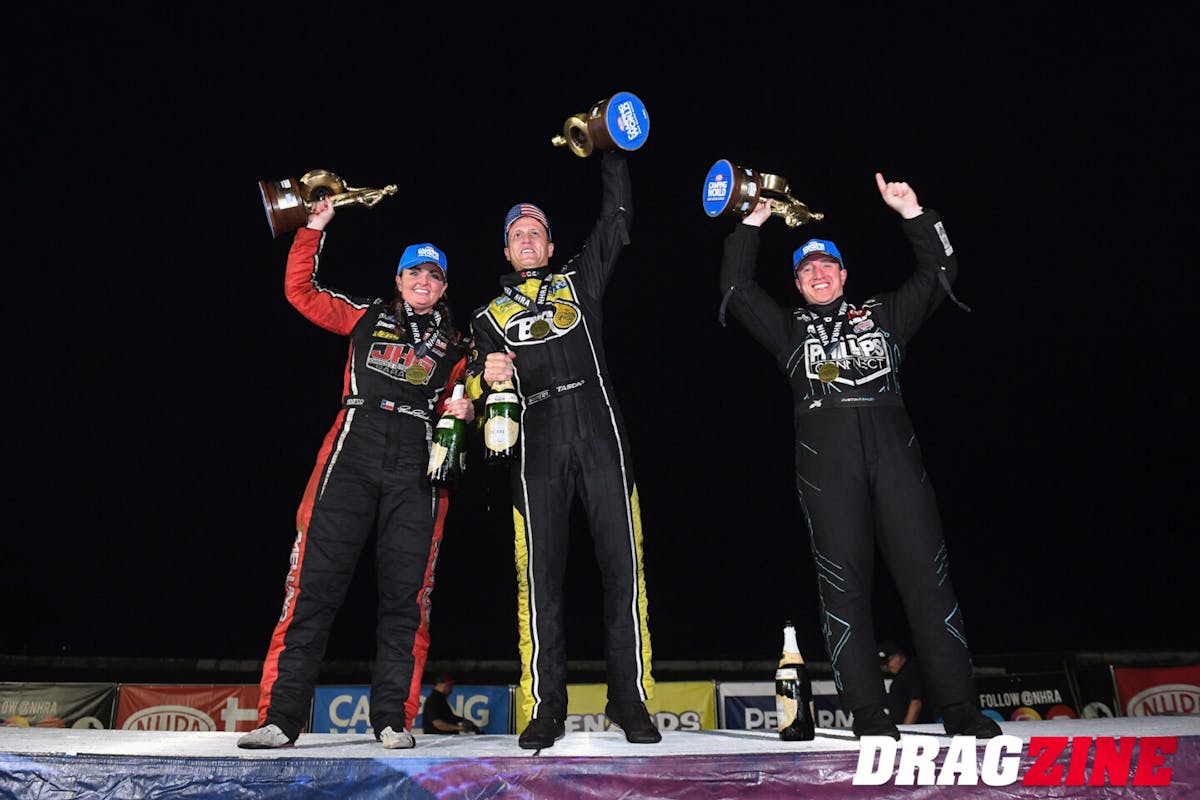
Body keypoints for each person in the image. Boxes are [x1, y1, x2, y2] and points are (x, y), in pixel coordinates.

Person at [718, 172, 1001, 740]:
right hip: (826, 467)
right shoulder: (788, 329)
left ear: (844, 275)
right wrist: (751, 225)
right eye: (806, 270)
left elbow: (940, 271)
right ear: (797, 284)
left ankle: (960, 708)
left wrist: (914, 213)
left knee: (929, 582)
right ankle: (869, 716)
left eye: (827, 266)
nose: (818, 274)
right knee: (843, 590)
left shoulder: (885, 314)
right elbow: (737, 290)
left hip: (897, 460)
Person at [237, 197, 474, 750]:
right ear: (399, 279)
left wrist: (467, 409)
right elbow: (301, 292)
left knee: (407, 597)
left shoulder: (458, 346)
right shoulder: (367, 315)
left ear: (443, 287)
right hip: (353, 446)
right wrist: (313, 228)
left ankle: (392, 719)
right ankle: (280, 718)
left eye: (433, 275)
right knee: (312, 586)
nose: (423, 281)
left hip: (419, 459)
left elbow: (470, 403)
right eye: (414, 272)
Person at [465, 149, 660, 750]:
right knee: (540, 579)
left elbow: (617, 217)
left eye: (536, 233)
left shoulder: (581, 280)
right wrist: (484, 376)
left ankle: (630, 700)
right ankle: (546, 707)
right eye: (517, 235)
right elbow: (468, 390)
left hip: (601, 431)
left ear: (550, 246)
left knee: (623, 570)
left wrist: (610, 148)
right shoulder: (485, 317)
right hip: (537, 440)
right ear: (506, 251)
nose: (527, 240)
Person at [879, 641, 930, 725]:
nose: (887, 667)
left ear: (898, 657)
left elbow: (916, 703)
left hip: (917, 728)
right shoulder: (900, 674)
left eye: (888, 662)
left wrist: (906, 728)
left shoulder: (911, 671)